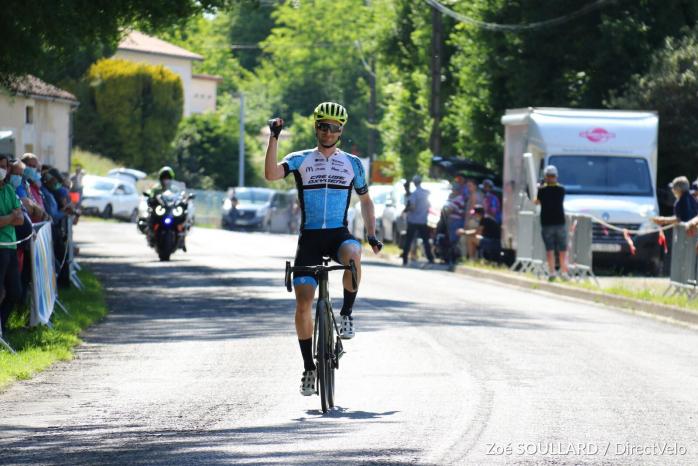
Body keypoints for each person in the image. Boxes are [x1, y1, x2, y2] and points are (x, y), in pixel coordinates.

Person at [264, 101, 382, 396]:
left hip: (337, 235)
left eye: (334, 128)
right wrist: (274, 137)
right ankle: (308, 368)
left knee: (353, 254)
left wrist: (371, 234)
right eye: (322, 126)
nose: (328, 132)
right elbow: (271, 174)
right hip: (310, 239)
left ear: (341, 130)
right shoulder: (301, 159)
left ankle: (346, 314)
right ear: (315, 127)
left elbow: (366, 201)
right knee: (303, 302)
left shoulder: (352, 163)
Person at [0, 155, 25, 335]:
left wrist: (7, 219)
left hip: (10, 246)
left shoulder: (9, 189)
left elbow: (21, 220)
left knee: (15, 291)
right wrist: (11, 216)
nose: (3, 170)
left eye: (4, 167)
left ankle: (2, 325)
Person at [535, 165, 569, 281]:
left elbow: (537, 202)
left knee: (550, 249)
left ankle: (552, 272)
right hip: (560, 222)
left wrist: (539, 187)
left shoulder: (542, 190)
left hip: (547, 223)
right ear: (556, 176)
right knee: (562, 249)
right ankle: (564, 272)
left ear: (545, 177)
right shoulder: (561, 189)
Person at [401, 175, 435, 266]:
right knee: (425, 240)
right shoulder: (426, 193)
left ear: (414, 183)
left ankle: (405, 258)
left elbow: (412, 206)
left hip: (413, 220)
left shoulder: (414, 194)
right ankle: (430, 258)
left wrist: (405, 210)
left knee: (409, 240)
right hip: (423, 220)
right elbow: (429, 205)